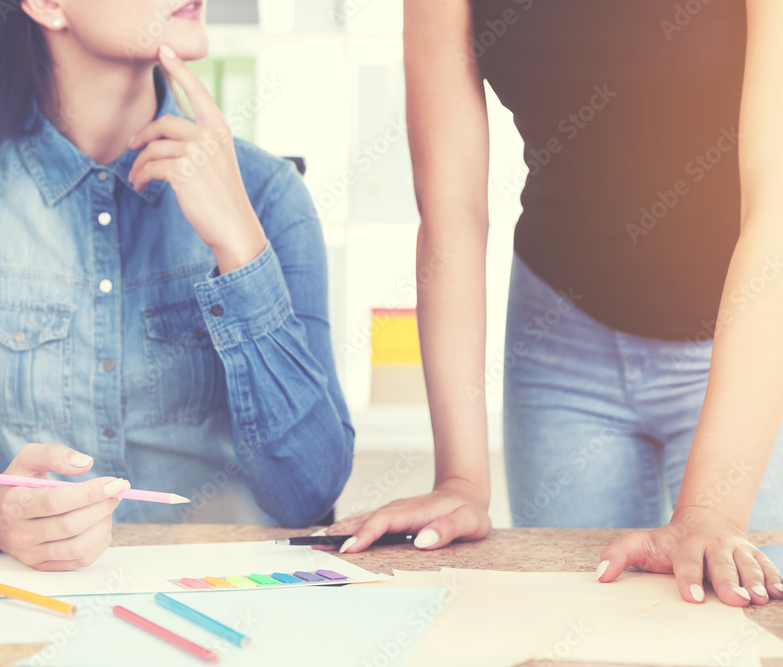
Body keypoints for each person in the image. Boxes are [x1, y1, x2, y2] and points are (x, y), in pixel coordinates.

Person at [0, 0, 353, 571]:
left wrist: (241, 250)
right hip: (35, 609)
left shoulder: (269, 195)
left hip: (235, 606)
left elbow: (309, 491)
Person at [330, 0, 783, 606]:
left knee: (734, 617)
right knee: (579, 616)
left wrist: (710, 510)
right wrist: (461, 479)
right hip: (562, 336)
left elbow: (775, 211)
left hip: (745, 344)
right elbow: (452, 212)